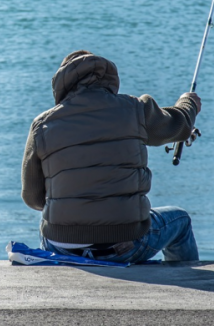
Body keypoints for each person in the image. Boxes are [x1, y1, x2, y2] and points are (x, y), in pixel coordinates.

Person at [21, 50, 202, 263]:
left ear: (62, 83)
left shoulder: (42, 125)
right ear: (110, 79)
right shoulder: (135, 109)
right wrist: (188, 102)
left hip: (61, 246)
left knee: (50, 222)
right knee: (180, 220)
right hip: (125, 244)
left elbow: (32, 198)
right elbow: (178, 124)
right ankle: (185, 279)